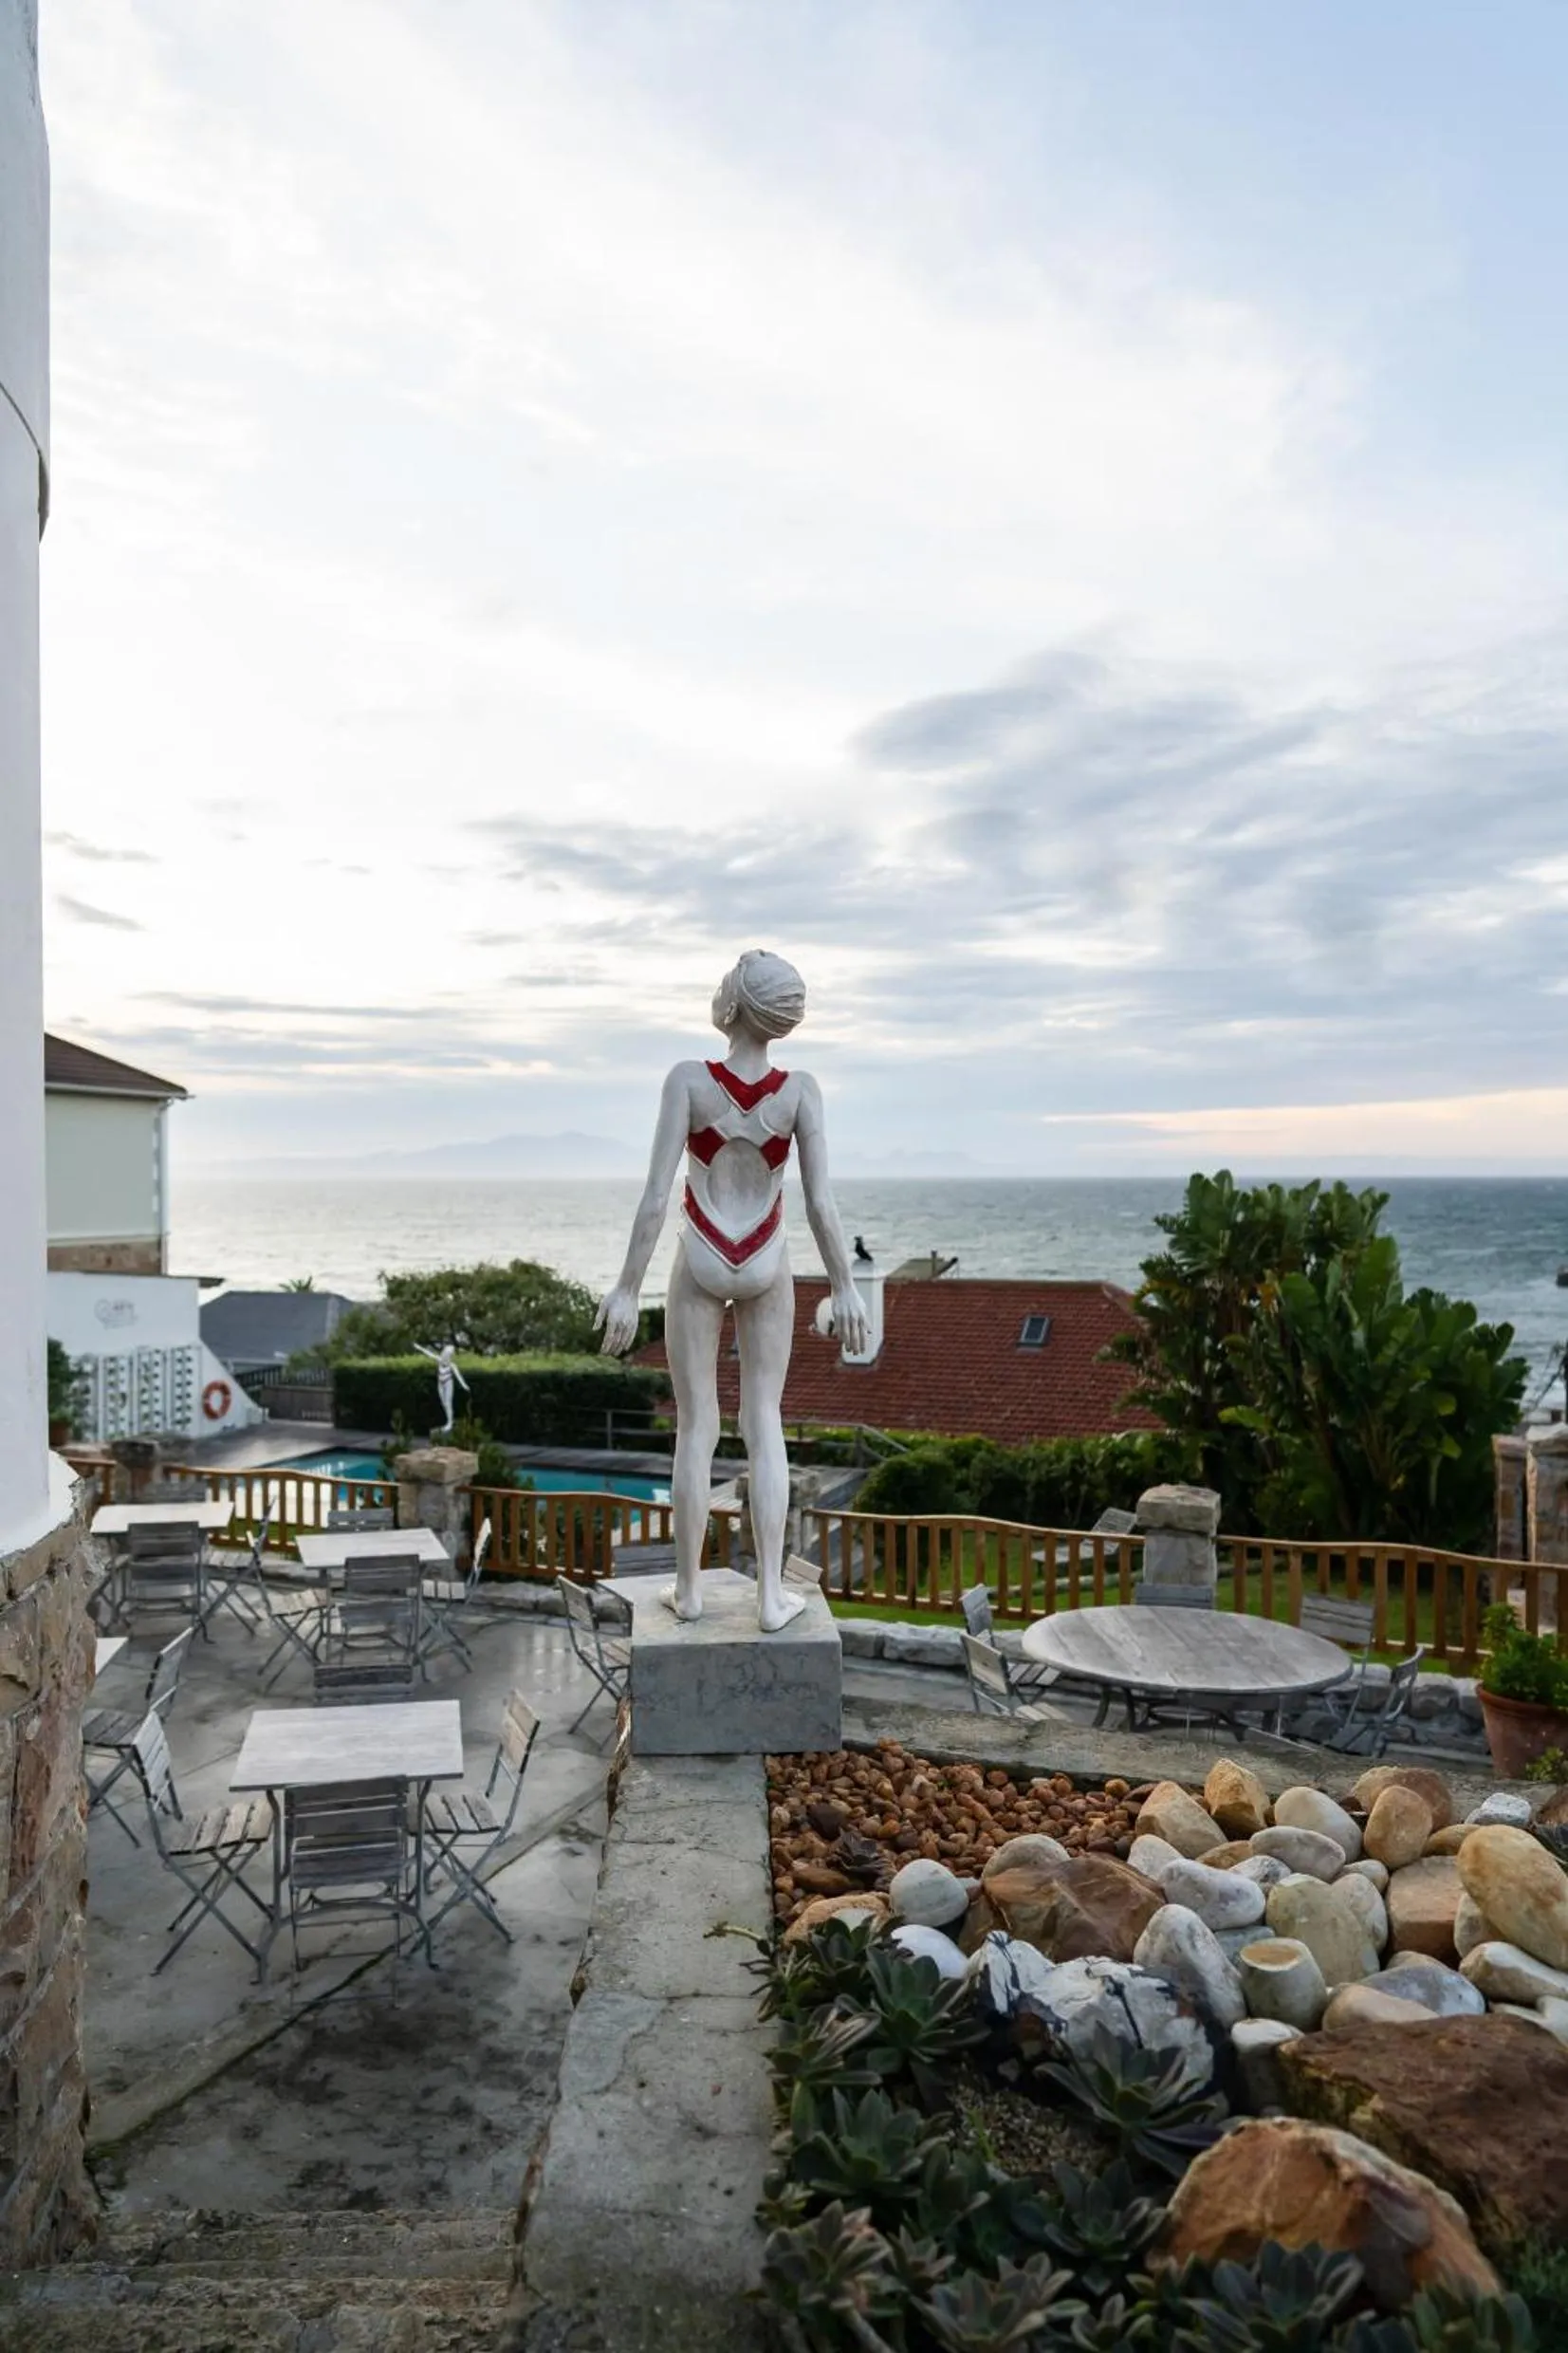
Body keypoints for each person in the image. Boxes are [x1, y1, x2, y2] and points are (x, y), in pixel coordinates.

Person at [597, 950, 866, 1631]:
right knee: (763, 1423)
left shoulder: (688, 1081)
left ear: (737, 1004)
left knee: (697, 1428)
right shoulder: (799, 1091)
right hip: (768, 1261)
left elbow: (658, 1196)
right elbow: (821, 1204)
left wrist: (627, 1288)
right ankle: (770, 1597)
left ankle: (687, 1591)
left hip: (701, 1256)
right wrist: (844, 1285)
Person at [414, 1340, 470, 1435]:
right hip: (440, 1384)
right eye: (445, 1355)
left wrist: (464, 1385)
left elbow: (458, 1376)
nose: (446, 1357)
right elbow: (429, 1354)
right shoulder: (439, 1360)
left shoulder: (452, 1365)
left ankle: (450, 1423)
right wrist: (419, 1348)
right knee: (443, 1403)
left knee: (448, 1403)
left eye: (448, 1356)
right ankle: (449, 1421)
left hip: (448, 1384)